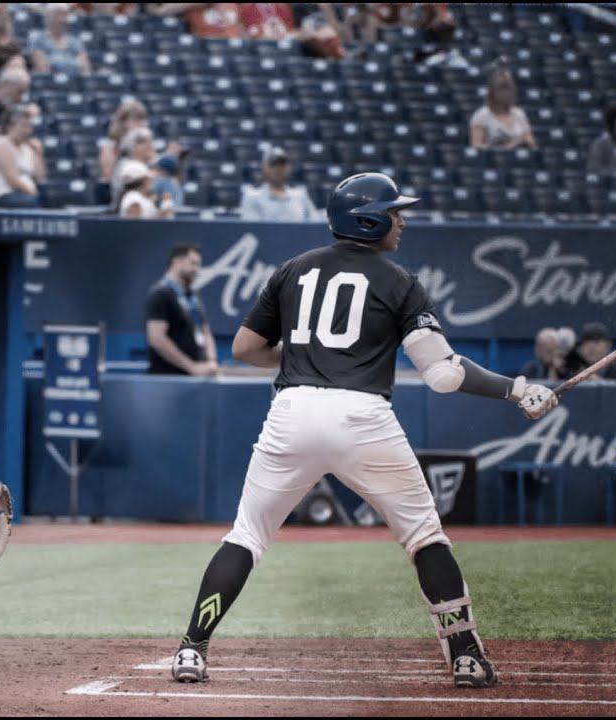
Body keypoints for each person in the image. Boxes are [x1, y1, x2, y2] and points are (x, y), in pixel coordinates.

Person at [169, 173, 558, 688]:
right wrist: (515, 390)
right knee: (424, 536)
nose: (404, 219)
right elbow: (442, 374)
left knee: (247, 535)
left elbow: (243, 348)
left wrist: (303, 357)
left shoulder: (293, 269)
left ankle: (191, 649)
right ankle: (464, 654)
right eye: (396, 211)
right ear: (370, 220)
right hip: (362, 416)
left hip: (292, 409)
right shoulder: (400, 281)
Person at [146, 244, 217, 376]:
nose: (197, 269)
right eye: (193, 263)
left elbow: (205, 330)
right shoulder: (160, 294)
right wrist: (192, 367)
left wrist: (211, 361)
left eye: (198, 265)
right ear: (177, 261)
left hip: (194, 379)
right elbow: (156, 338)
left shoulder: (193, 295)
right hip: (168, 380)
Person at [0, 105, 45, 209]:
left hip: (24, 195)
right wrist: (35, 194)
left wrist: (38, 153)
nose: (28, 131)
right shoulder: (1, 143)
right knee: (30, 203)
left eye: (29, 126)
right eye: (23, 126)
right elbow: (12, 179)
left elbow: (40, 178)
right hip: (2, 194)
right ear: (10, 126)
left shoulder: (27, 148)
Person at [238, 146, 320, 222]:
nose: (278, 169)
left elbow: (314, 227)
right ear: (265, 168)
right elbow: (252, 230)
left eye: (282, 165)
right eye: (274, 165)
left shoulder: (301, 196)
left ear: (288, 168)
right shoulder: (252, 197)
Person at [469, 68, 537, 151]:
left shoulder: (519, 113)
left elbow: (531, 143)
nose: (506, 93)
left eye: (508, 89)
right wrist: (508, 147)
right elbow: (476, 146)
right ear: (492, 92)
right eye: (501, 89)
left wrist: (524, 141)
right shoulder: (481, 115)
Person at [28, 5, 92, 75]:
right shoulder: (39, 39)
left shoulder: (75, 42)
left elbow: (85, 70)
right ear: (47, 17)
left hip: (75, 84)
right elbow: (42, 70)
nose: (62, 19)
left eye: (65, 14)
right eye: (58, 14)